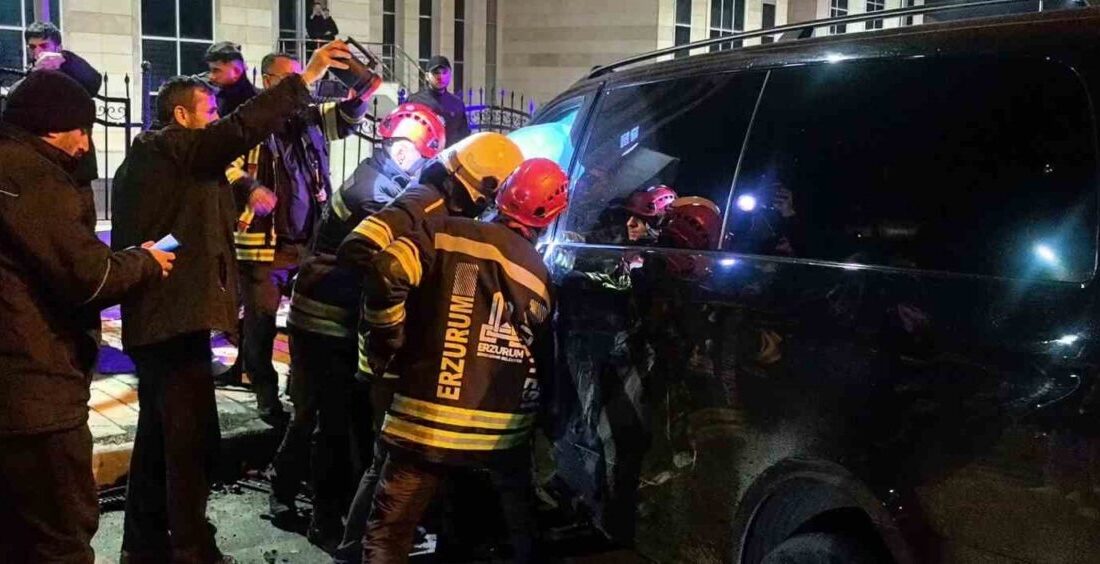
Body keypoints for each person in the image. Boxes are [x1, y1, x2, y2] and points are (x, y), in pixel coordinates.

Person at [110, 41, 352, 564]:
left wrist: (236, 198)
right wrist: (304, 77)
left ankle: (145, 544)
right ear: (182, 116)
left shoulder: (172, 162)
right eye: (210, 111)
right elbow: (241, 130)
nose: (218, 119)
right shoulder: (171, 149)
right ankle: (191, 547)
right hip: (170, 324)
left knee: (158, 440)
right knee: (190, 444)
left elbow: (175, 226)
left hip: (172, 319)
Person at [0, 70, 174, 563]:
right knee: (60, 537)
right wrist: (144, 260)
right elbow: (87, 278)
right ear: (55, 127)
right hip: (34, 394)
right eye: (84, 129)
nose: (87, 144)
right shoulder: (32, 176)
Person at [360, 157, 569, 563]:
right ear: (550, 217)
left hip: (423, 425)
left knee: (389, 535)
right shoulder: (540, 276)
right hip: (493, 437)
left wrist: (388, 343)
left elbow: (386, 272)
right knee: (472, 535)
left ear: (502, 194)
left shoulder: (443, 232)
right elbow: (540, 358)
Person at [334, 131, 523, 563]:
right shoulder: (426, 202)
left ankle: (358, 547)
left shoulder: (438, 201)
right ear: (478, 187)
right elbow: (359, 250)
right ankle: (354, 551)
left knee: (388, 460)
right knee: (388, 460)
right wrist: (396, 329)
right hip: (389, 352)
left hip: (394, 349)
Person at [268, 102, 444, 550]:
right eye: (422, 156)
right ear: (407, 151)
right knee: (328, 419)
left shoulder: (379, 175)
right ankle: (318, 513)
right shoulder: (376, 192)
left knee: (319, 413)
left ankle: (294, 495)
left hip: (325, 310)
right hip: (326, 316)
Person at [224, 51, 382, 426]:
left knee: (307, 322)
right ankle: (264, 391)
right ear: (266, 81)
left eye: (303, 78)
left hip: (309, 243)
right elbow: (221, 162)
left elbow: (345, 118)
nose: (302, 85)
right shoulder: (251, 119)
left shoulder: (305, 117)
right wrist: (249, 187)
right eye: (289, 79)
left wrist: (362, 91)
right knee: (260, 322)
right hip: (265, 246)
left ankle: (301, 388)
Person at [24, 21, 102, 95]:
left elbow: (94, 84)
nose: (38, 51)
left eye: (44, 46)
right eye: (32, 47)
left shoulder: (68, 66)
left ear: (58, 48)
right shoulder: (29, 71)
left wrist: (66, 60)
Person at [408, 56, 470, 147]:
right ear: (427, 76)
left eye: (444, 72)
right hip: (422, 157)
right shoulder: (414, 102)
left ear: (450, 74)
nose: (440, 77)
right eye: (436, 73)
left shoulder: (457, 104)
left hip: (449, 158)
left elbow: (464, 135)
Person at [205, 42, 259, 117]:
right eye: (210, 70)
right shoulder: (213, 97)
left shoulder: (255, 103)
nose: (211, 76)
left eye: (216, 70)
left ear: (236, 71)